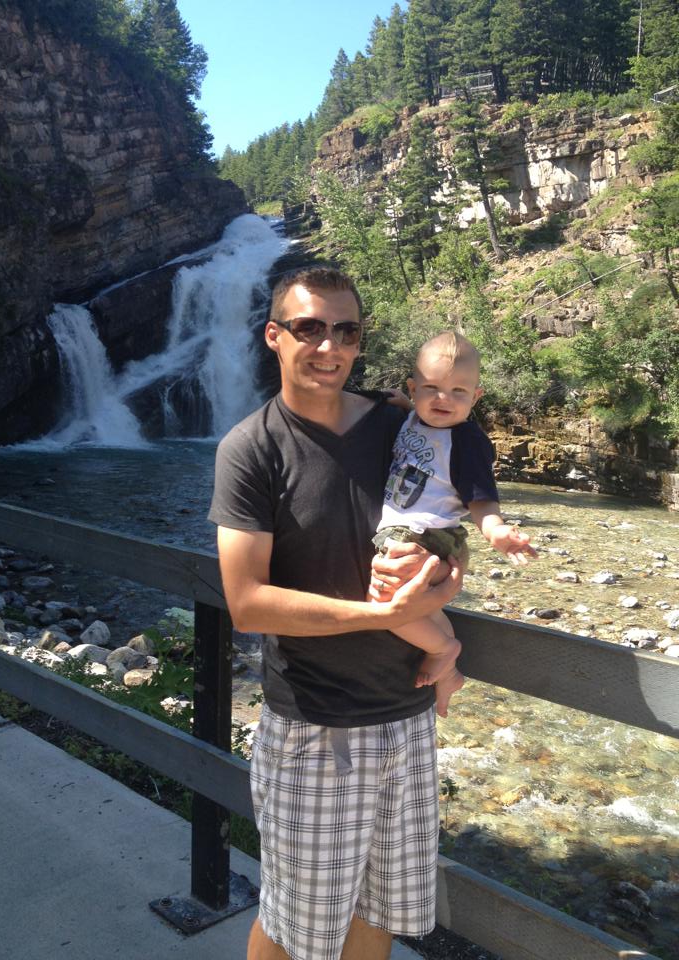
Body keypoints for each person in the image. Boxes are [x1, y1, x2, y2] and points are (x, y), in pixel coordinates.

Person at [209, 266, 462, 960]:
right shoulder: (250, 450)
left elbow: (450, 514)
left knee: (378, 910)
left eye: (345, 331)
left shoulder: (401, 426)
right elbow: (248, 602)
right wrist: (384, 617)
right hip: (313, 727)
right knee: (295, 925)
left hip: (406, 719)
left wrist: (448, 581)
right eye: (309, 328)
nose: (329, 346)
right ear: (273, 335)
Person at [372, 332, 537, 717]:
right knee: (420, 609)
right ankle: (450, 675)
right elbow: (410, 410)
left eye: (458, 391)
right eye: (431, 388)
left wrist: (496, 530)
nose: (443, 399)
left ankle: (442, 649)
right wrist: (401, 405)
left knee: (382, 598)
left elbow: (481, 498)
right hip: (419, 533)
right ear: (413, 389)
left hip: (426, 535)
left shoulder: (466, 441)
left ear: (476, 397)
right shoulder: (413, 418)